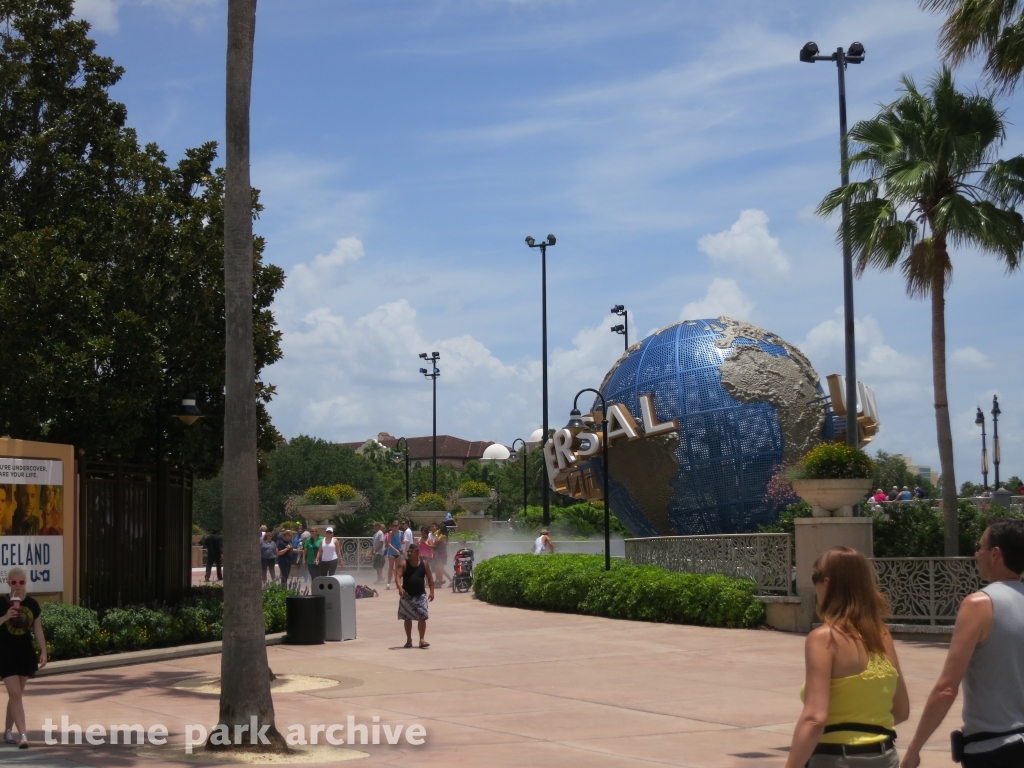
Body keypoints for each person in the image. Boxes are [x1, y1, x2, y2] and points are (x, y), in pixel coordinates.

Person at [900, 519, 1024, 768]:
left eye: (980, 547)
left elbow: (946, 689)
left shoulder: (979, 604)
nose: (976, 553)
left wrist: (914, 748)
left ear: (995, 554)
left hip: (995, 750)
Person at [785, 547, 909, 768]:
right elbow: (901, 711)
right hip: (885, 757)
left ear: (828, 583)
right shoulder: (882, 636)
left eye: (815, 578)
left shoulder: (824, 639)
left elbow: (814, 719)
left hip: (837, 758)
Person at [1, 566, 47, 748]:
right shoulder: (2, 603)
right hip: (5, 652)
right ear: (8, 583)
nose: (17, 585)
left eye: (21, 582)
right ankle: (23, 736)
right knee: (15, 694)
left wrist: (43, 651)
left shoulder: (32, 604)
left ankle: (6, 731)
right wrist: (5, 617)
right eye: (14, 582)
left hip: (25, 652)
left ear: (25, 583)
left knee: (16, 695)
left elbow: (38, 629)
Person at [396, 543, 434, 649]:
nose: (408, 553)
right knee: (407, 618)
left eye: (410, 552)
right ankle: (409, 640)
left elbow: (430, 578)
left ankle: (422, 639)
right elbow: (398, 577)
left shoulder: (424, 564)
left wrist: (432, 591)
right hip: (407, 595)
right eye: (408, 551)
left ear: (417, 553)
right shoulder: (404, 564)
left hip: (420, 595)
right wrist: (400, 588)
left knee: (423, 616)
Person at [431, 522, 450, 587]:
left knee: (441, 569)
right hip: (439, 554)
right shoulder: (440, 536)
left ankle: (451, 580)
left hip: (442, 555)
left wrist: (436, 535)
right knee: (439, 568)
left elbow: (436, 541)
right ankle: (439, 582)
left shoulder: (443, 536)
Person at [386, 520, 403, 589]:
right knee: (391, 568)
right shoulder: (391, 533)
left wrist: (403, 542)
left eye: (396, 525)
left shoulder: (401, 533)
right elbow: (389, 543)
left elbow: (401, 541)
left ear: (398, 526)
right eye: (393, 525)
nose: (394, 527)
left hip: (398, 552)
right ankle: (388, 583)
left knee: (397, 568)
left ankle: (397, 583)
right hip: (392, 552)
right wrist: (395, 550)